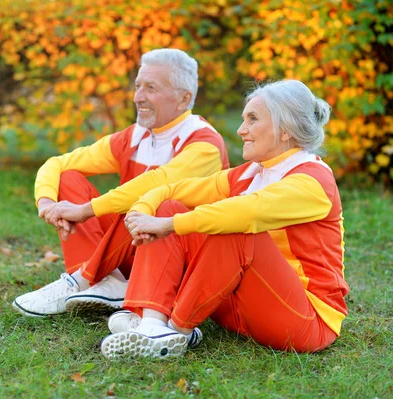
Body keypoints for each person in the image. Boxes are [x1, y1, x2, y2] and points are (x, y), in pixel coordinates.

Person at [101, 80, 349, 359]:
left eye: (252, 119)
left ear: (285, 130)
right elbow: (175, 189)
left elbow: (245, 213)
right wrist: (144, 209)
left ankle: (175, 332)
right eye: (243, 119)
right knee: (170, 206)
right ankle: (151, 322)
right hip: (242, 307)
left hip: (304, 321)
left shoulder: (313, 182)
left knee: (236, 229)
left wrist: (168, 226)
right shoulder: (251, 173)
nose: (241, 130)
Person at [12, 48, 230, 317]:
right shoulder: (133, 136)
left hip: (177, 258)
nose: (138, 97)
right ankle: (102, 284)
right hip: (129, 245)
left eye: (151, 88)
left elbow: (153, 186)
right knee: (67, 179)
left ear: (183, 98)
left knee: (152, 201)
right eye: (138, 86)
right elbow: (57, 163)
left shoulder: (204, 143)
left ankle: (84, 279)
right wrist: (46, 201)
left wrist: (83, 210)